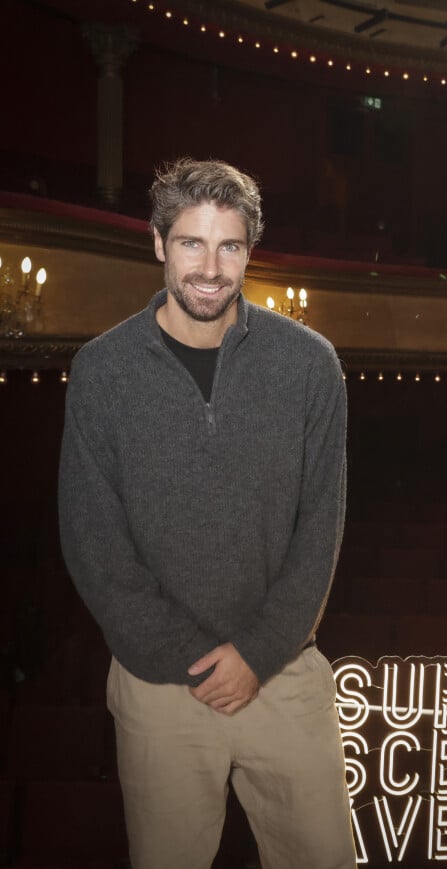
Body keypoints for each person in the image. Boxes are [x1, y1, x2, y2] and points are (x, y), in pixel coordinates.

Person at [58, 158, 356, 869]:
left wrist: (257, 653)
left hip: (283, 669)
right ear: (159, 243)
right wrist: (191, 660)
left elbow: (322, 529)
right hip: (160, 684)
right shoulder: (102, 371)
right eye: (192, 242)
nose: (211, 268)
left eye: (230, 246)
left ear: (250, 249)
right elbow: (93, 542)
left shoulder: (311, 364)